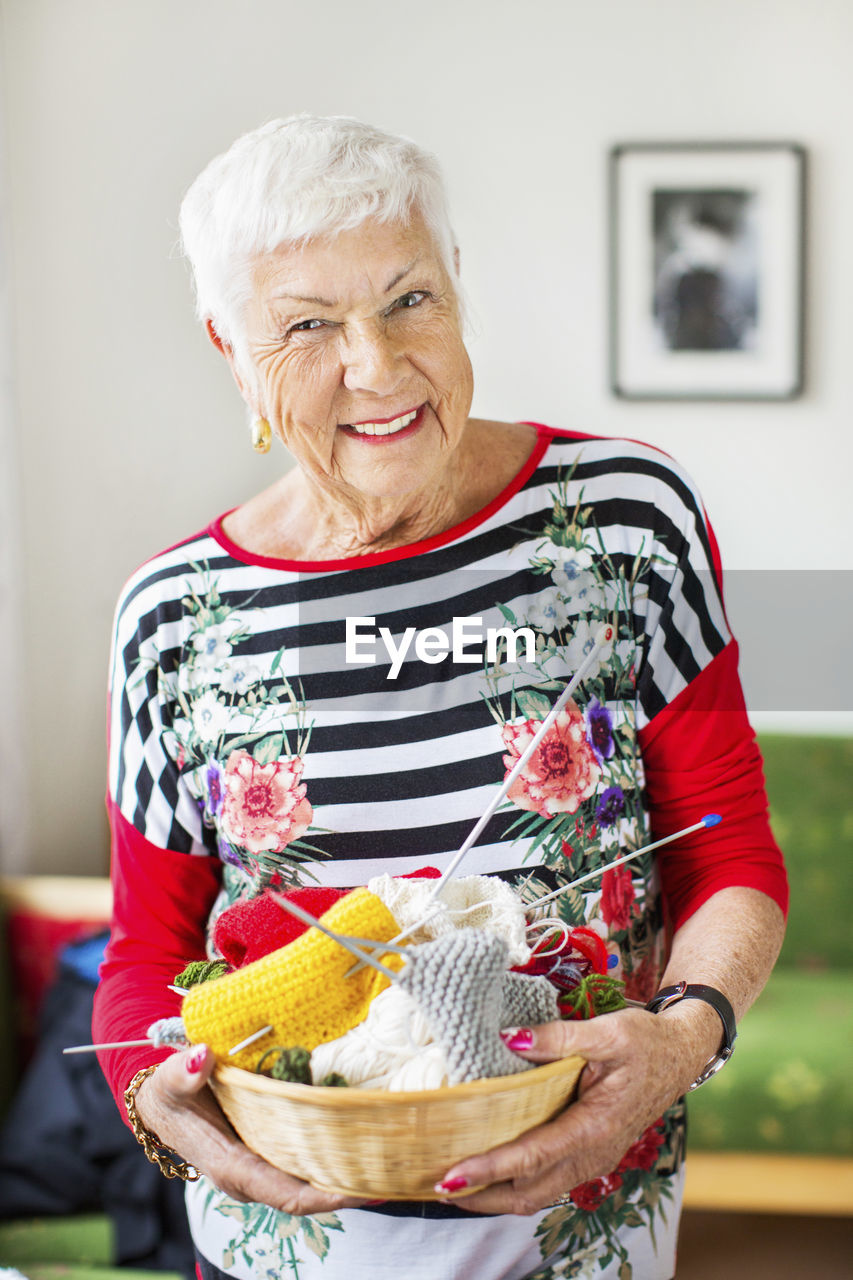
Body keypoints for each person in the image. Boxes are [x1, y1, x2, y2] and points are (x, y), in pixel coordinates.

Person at [93, 115, 787, 1280]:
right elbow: (144, 949)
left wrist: (681, 1038)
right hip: (287, 1245)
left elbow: (728, 852)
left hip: (586, 1227)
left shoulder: (627, 516)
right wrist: (147, 1093)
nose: (375, 364)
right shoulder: (170, 614)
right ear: (228, 346)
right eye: (306, 324)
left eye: (407, 297)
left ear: (457, 284)